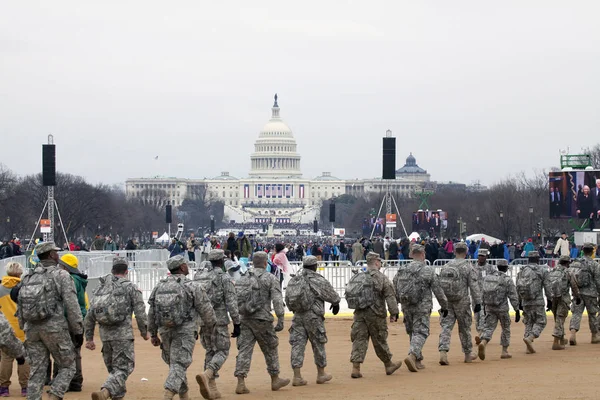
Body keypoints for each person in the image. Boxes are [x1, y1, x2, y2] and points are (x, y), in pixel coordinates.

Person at [15, 242, 83, 400]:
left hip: (31, 329)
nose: (58, 254)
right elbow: (72, 305)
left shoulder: (28, 277)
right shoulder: (61, 275)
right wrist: (78, 330)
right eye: (56, 252)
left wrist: (23, 327)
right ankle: (54, 396)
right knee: (68, 366)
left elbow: (20, 305)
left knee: (37, 370)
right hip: (54, 328)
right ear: (52, 255)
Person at [148, 255, 217, 400]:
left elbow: (152, 312)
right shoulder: (191, 286)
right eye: (185, 264)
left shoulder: (159, 286)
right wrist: (210, 328)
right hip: (184, 332)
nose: (187, 266)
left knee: (175, 365)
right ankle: (168, 394)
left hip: (165, 331)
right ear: (182, 267)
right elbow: (206, 310)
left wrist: (153, 334)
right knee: (179, 364)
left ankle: (184, 396)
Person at [84, 257, 149, 400]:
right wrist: (145, 332)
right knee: (123, 369)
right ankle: (106, 391)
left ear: (112, 270)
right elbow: (140, 312)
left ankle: (116, 397)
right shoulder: (130, 287)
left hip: (105, 336)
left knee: (114, 371)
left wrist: (89, 338)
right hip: (123, 335)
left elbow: (90, 315)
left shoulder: (100, 288)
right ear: (126, 271)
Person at [233, 251, 290, 395]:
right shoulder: (270, 278)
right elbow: (277, 300)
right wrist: (281, 318)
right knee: (270, 349)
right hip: (263, 319)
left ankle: (241, 382)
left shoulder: (243, 278)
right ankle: (275, 378)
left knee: (244, 350)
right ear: (266, 263)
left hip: (245, 318)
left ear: (253, 262)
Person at [285, 256, 340, 386]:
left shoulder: (295, 279)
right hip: (313, 317)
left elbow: (288, 299)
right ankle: (321, 374)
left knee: (297, 345)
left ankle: (297, 376)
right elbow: (331, 295)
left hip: (297, 316)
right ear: (315, 266)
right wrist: (335, 302)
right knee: (318, 344)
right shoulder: (317, 279)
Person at [193, 249, 240, 400]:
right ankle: (208, 374)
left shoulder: (199, 277)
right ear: (222, 261)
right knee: (223, 351)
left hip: (203, 320)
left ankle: (211, 387)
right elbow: (232, 303)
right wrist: (237, 323)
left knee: (210, 351)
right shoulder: (224, 278)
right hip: (218, 320)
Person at [393, 244, 447, 371]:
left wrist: (395, 305)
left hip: (406, 305)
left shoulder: (402, 269)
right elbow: (438, 291)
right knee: (421, 332)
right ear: (423, 255)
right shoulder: (428, 270)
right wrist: (444, 306)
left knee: (412, 332)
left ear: (411, 255)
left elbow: (394, 286)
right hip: (422, 306)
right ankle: (412, 355)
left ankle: (418, 359)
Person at [349, 252, 402, 379]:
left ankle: (355, 368)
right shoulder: (381, 278)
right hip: (376, 314)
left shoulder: (358, 277)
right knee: (379, 340)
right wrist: (394, 312)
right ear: (376, 262)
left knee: (359, 339)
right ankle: (388, 364)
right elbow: (390, 296)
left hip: (359, 313)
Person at [438, 242, 481, 365]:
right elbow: (474, 286)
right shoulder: (468, 267)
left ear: (454, 251)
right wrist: (477, 302)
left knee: (446, 326)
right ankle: (468, 354)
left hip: (447, 301)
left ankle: (443, 352)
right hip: (462, 301)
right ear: (466, 252)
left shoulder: (446, 266)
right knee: (464, 328)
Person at [55, 253, 89, 392]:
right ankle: (76, 380)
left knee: (65, 351)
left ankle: (71, 380)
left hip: (68, 319)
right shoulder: (78, 279)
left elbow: (67, 303)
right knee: (75, 350)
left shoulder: (69, 280)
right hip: (78, 317)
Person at [477, 259, 520, 360]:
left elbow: (483, 293)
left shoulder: (488, 278)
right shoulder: (507, 279)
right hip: (502, 308)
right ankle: (504, 351)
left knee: (489, 328)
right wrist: (517, 309)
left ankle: (483, 342)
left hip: (489, 307)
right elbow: (513, 295)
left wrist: (483, 306)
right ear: (505, 268)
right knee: (505, 328)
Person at [0, 262, 29, 397]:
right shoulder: (24, 288)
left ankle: (4, 387)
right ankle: (25, 387)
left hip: (5, 329)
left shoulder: (0, 289)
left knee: (6, 358)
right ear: (20, 273)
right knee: (23, 356)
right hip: (22, 328)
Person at [516, 251, 551, 354]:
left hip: (525, 301)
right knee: (541, 321)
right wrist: (550, 300)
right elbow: (547, 287)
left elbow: (517, 287)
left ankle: (528, 347)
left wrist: (519, 302)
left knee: (528, 322)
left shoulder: (522, 271)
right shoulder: (542, 270)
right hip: (538, 300)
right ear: (538, 259)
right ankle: (530, 338)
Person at [568, 243, 600, 345]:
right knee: (592, 314)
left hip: (578, 292)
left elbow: (570, 277)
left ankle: (573, 333)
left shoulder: (576, 263)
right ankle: (594, 335)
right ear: (592, 251)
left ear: (582, 250)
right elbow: (598, 280)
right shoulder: (594, 264)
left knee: (576, 314)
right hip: (591, 293)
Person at [548, 255, 580, 350]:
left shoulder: (552, 271)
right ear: (567, 263)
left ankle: (561, 338)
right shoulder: (568, 272)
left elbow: (547, 285)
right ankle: (555, 342)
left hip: (553, 298)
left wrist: (548, 300)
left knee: (557, 318)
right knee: (560, 318)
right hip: (563, 298)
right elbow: (574, 286)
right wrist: (577, 297)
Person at [472, 249, 497, 344]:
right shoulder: (473, 268)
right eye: (480, 256)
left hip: (486, 296)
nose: (481, 258)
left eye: (483, 256)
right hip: (476, 296)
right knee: (477, 316)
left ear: (486, 257)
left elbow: (496, 279)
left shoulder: (490, 268)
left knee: (484, 315)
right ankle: (480, 331)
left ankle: (482, 334)